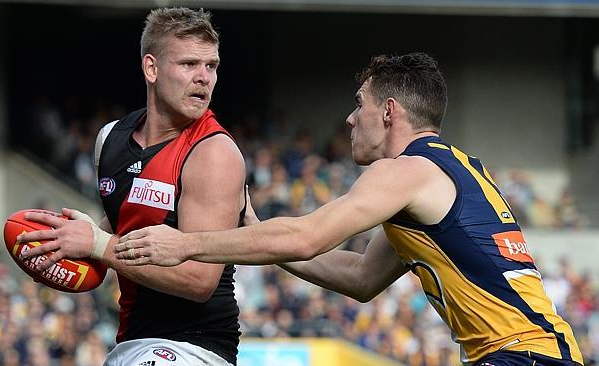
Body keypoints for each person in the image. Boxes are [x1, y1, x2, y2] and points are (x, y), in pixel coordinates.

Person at [114, 53, 584, 366]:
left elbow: (306, 236)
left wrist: (185, 244)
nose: (349, 118)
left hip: (520, 357)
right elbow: (361, 277)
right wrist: (255, 231)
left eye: (359, 103)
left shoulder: (405, 170)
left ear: (389, 112)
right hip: (543, 353)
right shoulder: (453, 169)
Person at [18, 7, 246, 366]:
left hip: (195, 347)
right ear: (151, 68)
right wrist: (71, 243)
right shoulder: (110, 139)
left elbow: (199, 281)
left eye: (212, 65)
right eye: (189, 64)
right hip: (132, 339)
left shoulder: (214, 153)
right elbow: (126, 224)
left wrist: (98, 244)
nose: (204, 78)